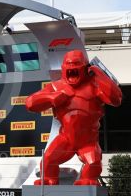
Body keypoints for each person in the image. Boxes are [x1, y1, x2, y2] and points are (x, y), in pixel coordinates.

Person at [26, 50, 122, 185]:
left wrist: (99, 73)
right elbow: (30, 103)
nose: (72, 68)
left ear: (85, 67)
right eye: (69, 65)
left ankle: (87, 180)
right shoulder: (56, 86)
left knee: (93, 162)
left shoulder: (94, 86)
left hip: (88, 140)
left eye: (76, 64)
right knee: (48, 160)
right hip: (65, 138)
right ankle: (49, 181)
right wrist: (50, 97)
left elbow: (116, 99)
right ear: (63, 68)